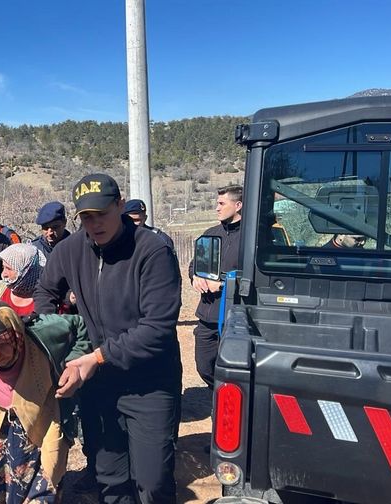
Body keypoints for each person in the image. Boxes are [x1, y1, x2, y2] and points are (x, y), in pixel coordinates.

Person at [34, 173, 182, 504]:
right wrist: (58, 338)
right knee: (109, 480)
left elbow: (156, 329)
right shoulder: (70, 249)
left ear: (119, 205)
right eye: (87, 217)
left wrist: (96, 357)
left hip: (150, 384)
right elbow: (45, 291)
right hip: (98, 385)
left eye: (102, 214)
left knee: (153, 481)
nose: (95, 223)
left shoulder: (152, 251)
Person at [0, 302, 91, 503]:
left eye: (2, 345)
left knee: (42, 490)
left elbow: (80, 326)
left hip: (41, 422)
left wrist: (76, 363)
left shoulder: (44, 331)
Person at [188, 184, 243, 389]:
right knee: (204, 366)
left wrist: (224, 284)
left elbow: (262, 277)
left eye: (222, 203)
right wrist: (195, 277)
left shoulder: (252, 238)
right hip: (207, 315)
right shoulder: (210, 234)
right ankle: (218, 394)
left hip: (236, 318)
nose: (217, 208)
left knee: (233, 370)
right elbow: (195, 264)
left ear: (238, 205)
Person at [0, 243, 46, 316]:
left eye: (9, 269)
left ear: (26, 272)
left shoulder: (45, 298)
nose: (4, 274)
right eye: (3, 267)